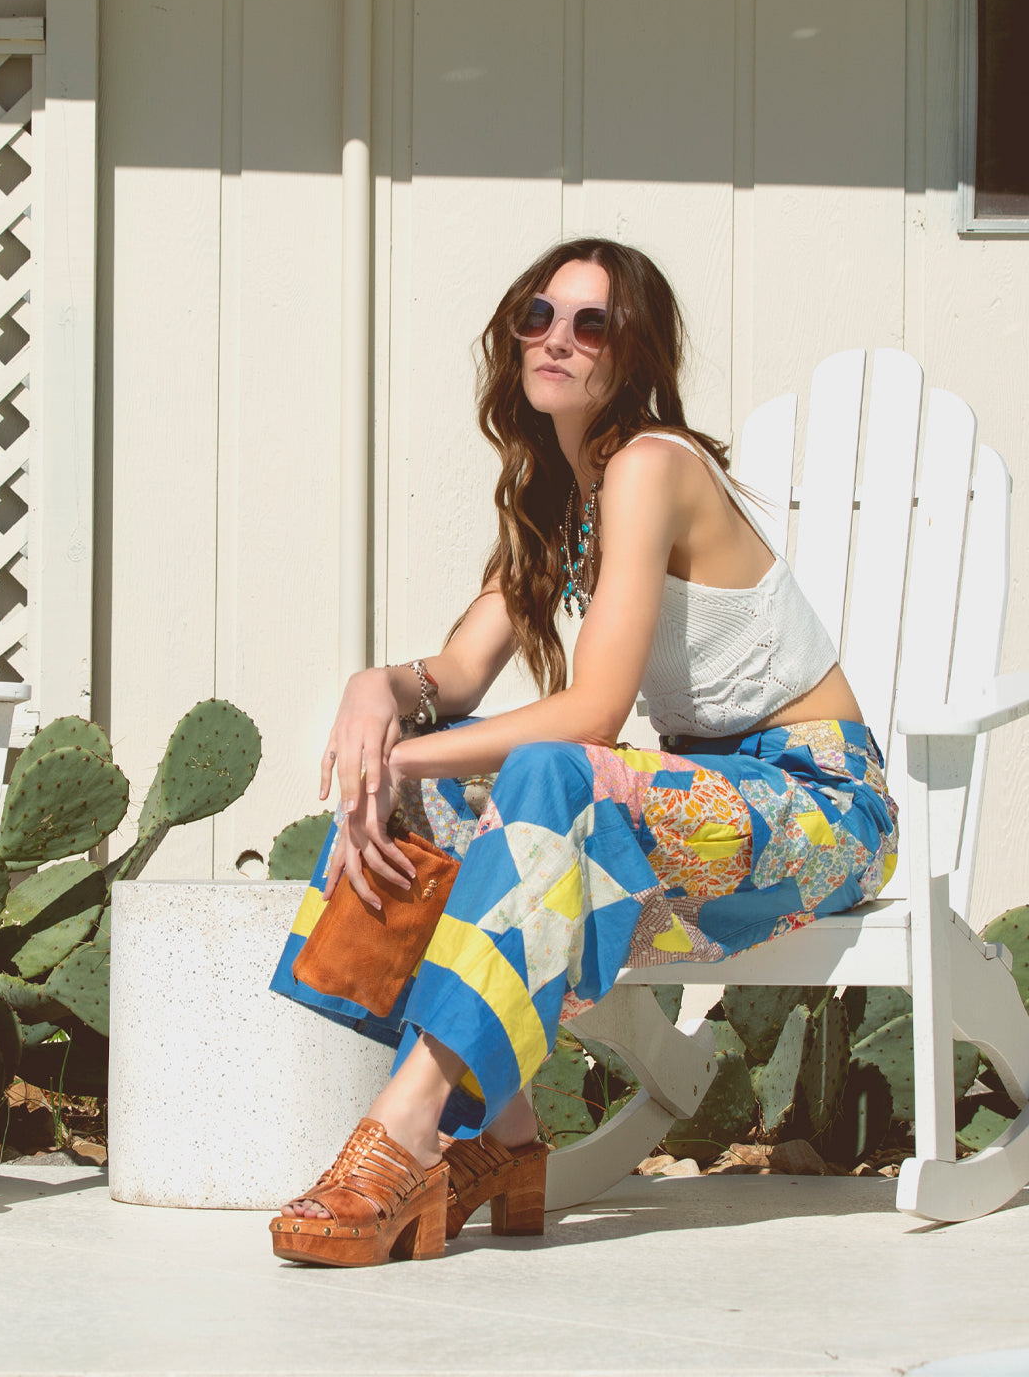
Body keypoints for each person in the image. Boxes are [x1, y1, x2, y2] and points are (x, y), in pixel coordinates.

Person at [268, 237, 899, 1267]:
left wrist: (406, 755)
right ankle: (506, 1142)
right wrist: (375, 694)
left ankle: (410, 1129)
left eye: (591, 323)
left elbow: (596, 713)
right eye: (539, 316)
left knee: (535, 769)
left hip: (821, 810)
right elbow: (456, 676)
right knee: (424, 791)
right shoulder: (559, 502)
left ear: (631, 356)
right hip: (703, 807)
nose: (558, 338)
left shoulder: (651, 465)